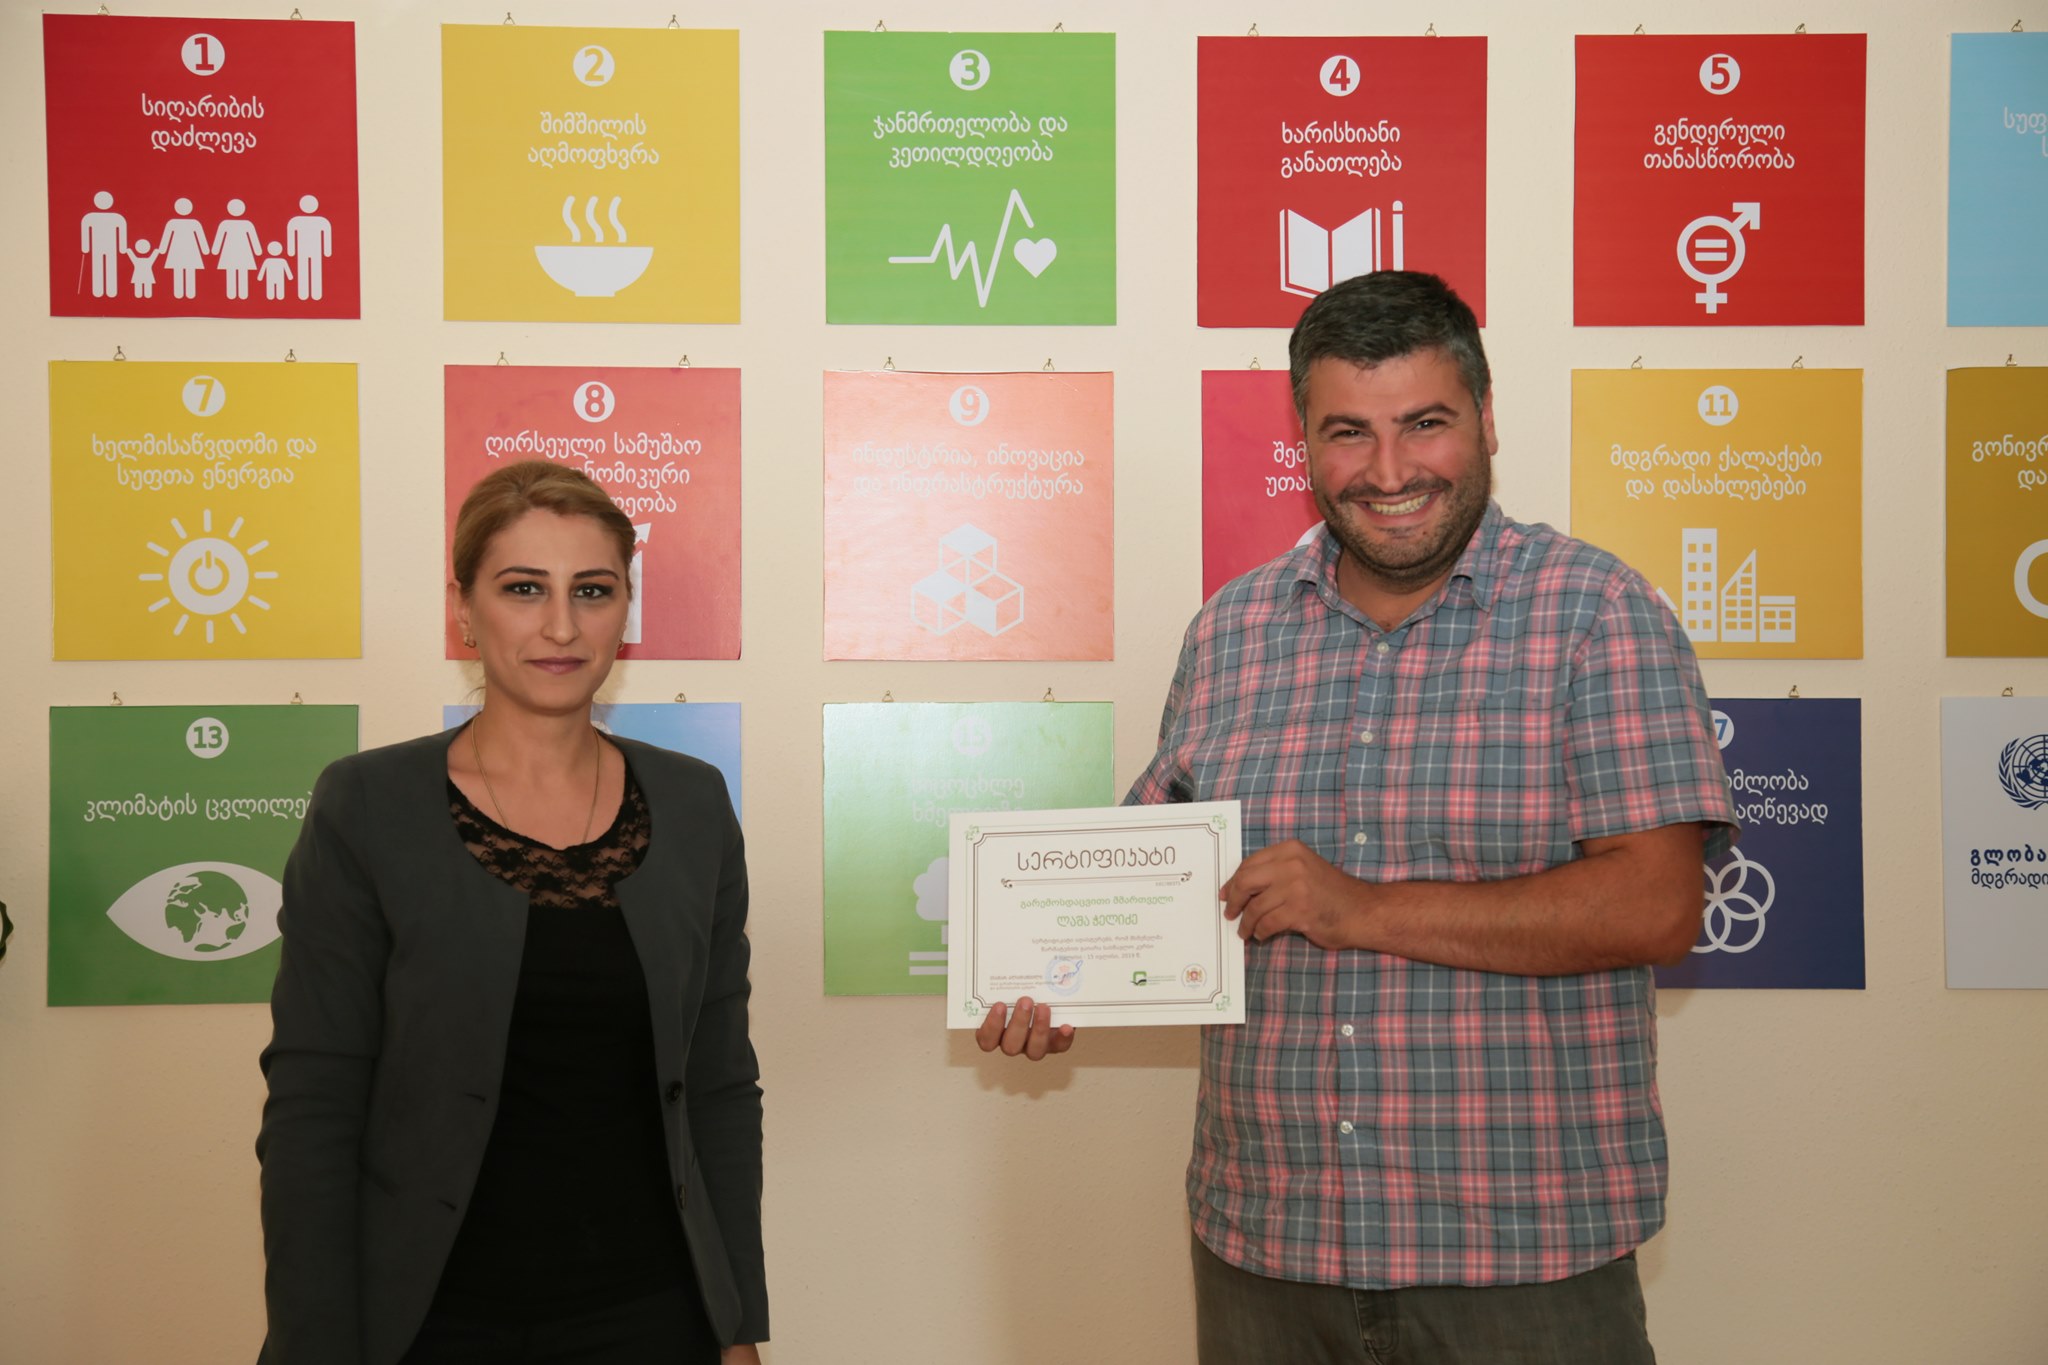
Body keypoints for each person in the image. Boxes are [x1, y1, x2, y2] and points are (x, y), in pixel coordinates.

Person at [978, 272, 1737, 1364]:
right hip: (1267, 1248)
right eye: (1348, 432)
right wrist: (1057, 977)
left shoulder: (1598, 614)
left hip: (1522, 1261)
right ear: (1303, 443)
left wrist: (1358, 908)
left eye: (1423, 423)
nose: (1388, 472)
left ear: (1484, 419)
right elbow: (1153, 877)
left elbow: (1654, 906)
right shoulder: (1230, 632)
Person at [257, 461, 768, 1365]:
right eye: (524, 588)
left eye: (593, 590)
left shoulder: (693, 804)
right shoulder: (367, 805)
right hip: (432, 1324)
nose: (561, 625)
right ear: (464, 608)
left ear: (625, 610)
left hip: (654, 1317)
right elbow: (313, 1108)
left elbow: (721, 1084)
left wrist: (737, 1325)